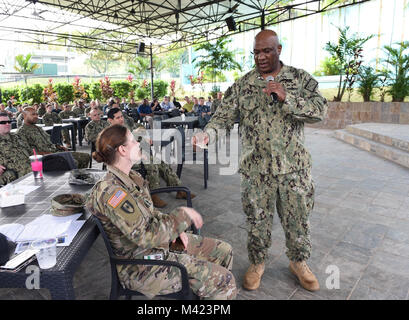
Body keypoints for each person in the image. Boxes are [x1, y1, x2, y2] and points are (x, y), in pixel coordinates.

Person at [193, 29, 327, 292]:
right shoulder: (243, 85)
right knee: (257, 221)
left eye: (266, 51)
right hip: (256, 171)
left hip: (294, 169)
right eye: (256, 52)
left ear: (279, 49)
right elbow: (222, 118)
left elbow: (320, 111)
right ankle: (257, 263)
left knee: (298, 220)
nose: (261, 57)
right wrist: (208, 135)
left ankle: (299, 262)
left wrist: (288, 97)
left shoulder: (299, 79)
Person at [86, 124, 237, 300]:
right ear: (122, 150)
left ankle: (206, 292)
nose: (138, 143)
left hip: (159, 247)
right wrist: (181, 217)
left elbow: (150, 213)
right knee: (225, 280)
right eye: (134, 141)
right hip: (142, 267)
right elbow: (145, 236)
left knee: (224, 251)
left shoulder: (133, 178)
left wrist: (176, 231)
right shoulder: (113, 193)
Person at [107, 107, 195, 208]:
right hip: (125, 160)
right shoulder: (110, 133)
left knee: (162, 163)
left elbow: (138, 127)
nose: (121, 119)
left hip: (138, 154)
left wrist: (144, 135)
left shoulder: (124, 125)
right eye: (118, 118)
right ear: (110, 120)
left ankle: (179, 190)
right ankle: (154, 195)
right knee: (152, 165)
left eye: (121, 116)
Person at [17, 107, 90, 169]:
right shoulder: (21, 132)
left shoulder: (38, 128)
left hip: (55, 152)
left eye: (36, 114)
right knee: (74, 162)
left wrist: (58, 146)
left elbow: (49, 141)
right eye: (33, 114)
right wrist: (48, 153)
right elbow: (28, 152)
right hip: (46, 158)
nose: (36, 116)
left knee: (86, 157)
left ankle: (80, 178)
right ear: (24, 115)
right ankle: (73, 179)